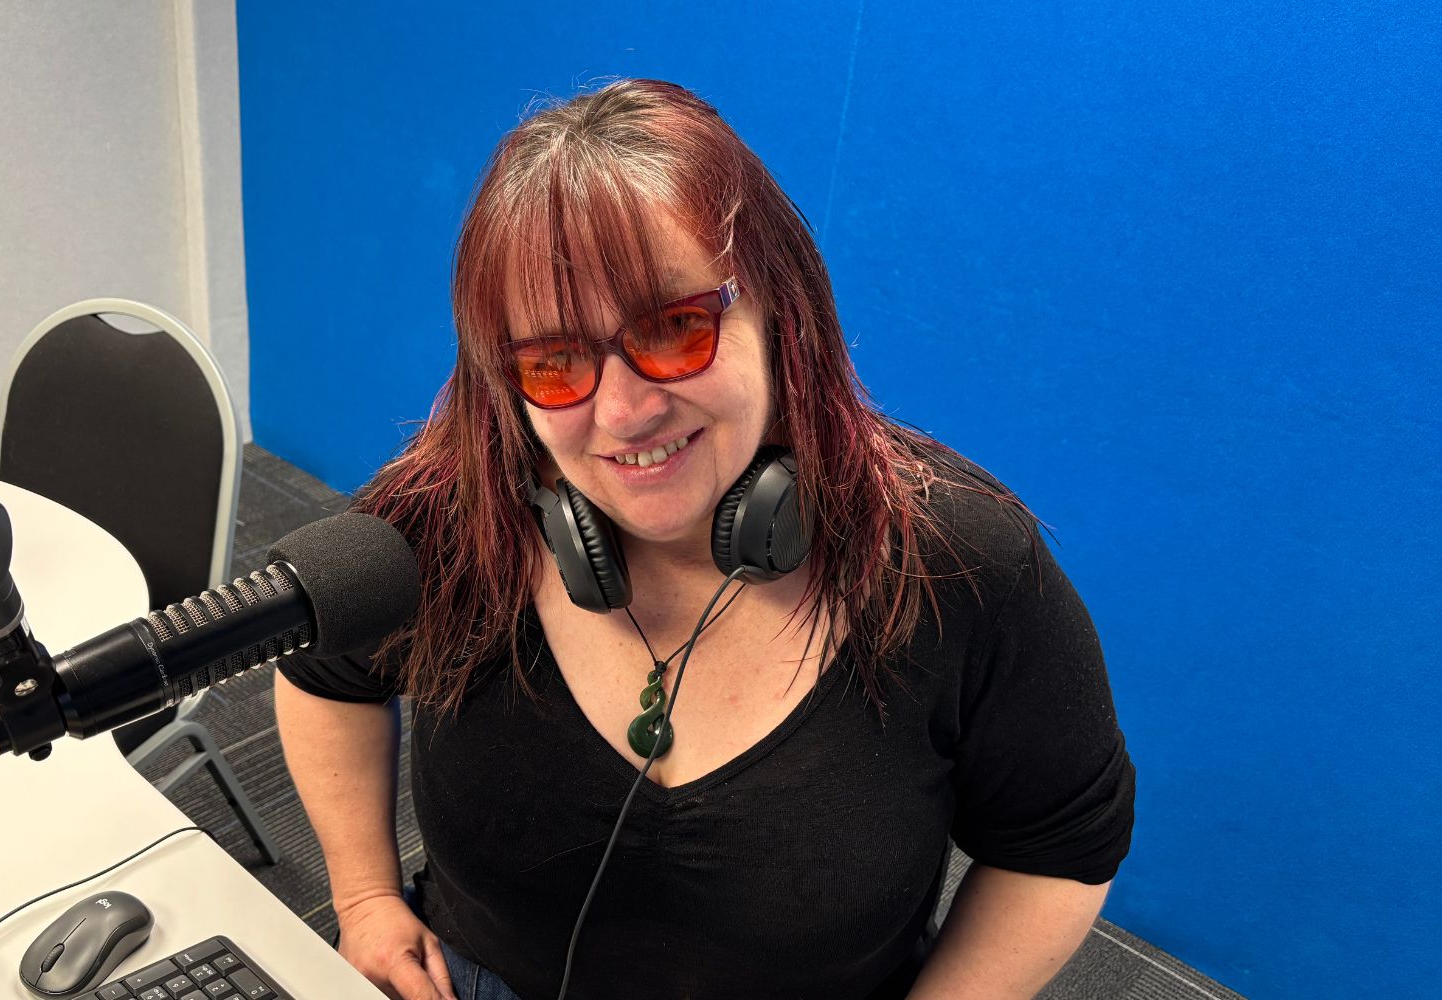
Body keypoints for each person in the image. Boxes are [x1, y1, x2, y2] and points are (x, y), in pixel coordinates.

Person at [274, 78, 1134, 1000]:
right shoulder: (450, 519)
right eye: (555, 361)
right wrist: (363, 898)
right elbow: (320, 669)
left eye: (676, 328)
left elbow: (1059, 846)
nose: (625, 412)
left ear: (782, 315)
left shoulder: (962, 565)